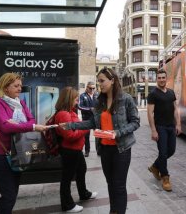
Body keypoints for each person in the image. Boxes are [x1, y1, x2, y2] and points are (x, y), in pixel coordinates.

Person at [60, 68, 140, 214]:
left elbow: (135, 122)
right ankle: (113, 211)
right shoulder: (99, 102)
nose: (99, 85)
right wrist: (71, 125)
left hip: (121, 149)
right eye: (98, 82)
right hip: (105, 149)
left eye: (102, 81)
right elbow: (91, 123)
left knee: (119, 185)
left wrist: (118, 132)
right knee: (110, 184)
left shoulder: (126, 99)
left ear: (112, 80)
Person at [0, 73, 47, 214]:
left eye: (20, 85)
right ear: (5, 87)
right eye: (16, 85)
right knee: (8, 195)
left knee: (13, 193)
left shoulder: (20, 102)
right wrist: (28, 126)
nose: (20, 88)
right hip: (2, 155)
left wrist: (18, 124)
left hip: (18, 153)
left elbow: (31, 119)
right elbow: (5, 127)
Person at [54, 87, 97, 213]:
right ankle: (67, 205)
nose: (77, 101)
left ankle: (84, 193)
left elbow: (76, 127)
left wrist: (82, 126)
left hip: (76, 150)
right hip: (69, 150)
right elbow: (70, 135)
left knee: (81, 170)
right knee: (67, 177)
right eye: (75, 99)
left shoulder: (69, 111)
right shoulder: (63, 114)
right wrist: (86, 128)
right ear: (68, 99)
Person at [147, 69, 181, 192]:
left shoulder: (171, 93)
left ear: (166, 79)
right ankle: (165, 177)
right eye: (159, 78)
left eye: (163, 77)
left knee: (171, 151)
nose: (161, 79)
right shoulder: (153, 94)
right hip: (160, 127)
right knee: (163, 153)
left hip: (171, 127)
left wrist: (178, 125)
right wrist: (153, 130)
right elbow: (150, 113)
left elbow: (175, 109)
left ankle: (155, 166)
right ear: (157, 79)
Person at [78, 81, 98, 157]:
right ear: (87, 88)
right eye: (90, 88)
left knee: (98, 135)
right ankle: (87, 151)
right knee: (86, 136)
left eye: (94, 88)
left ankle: (99, 150)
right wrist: (90, 109)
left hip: (96, 119)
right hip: (86, 119)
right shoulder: (82, 96)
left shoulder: (97, 95)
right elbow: (80, 106)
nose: (92, 90)